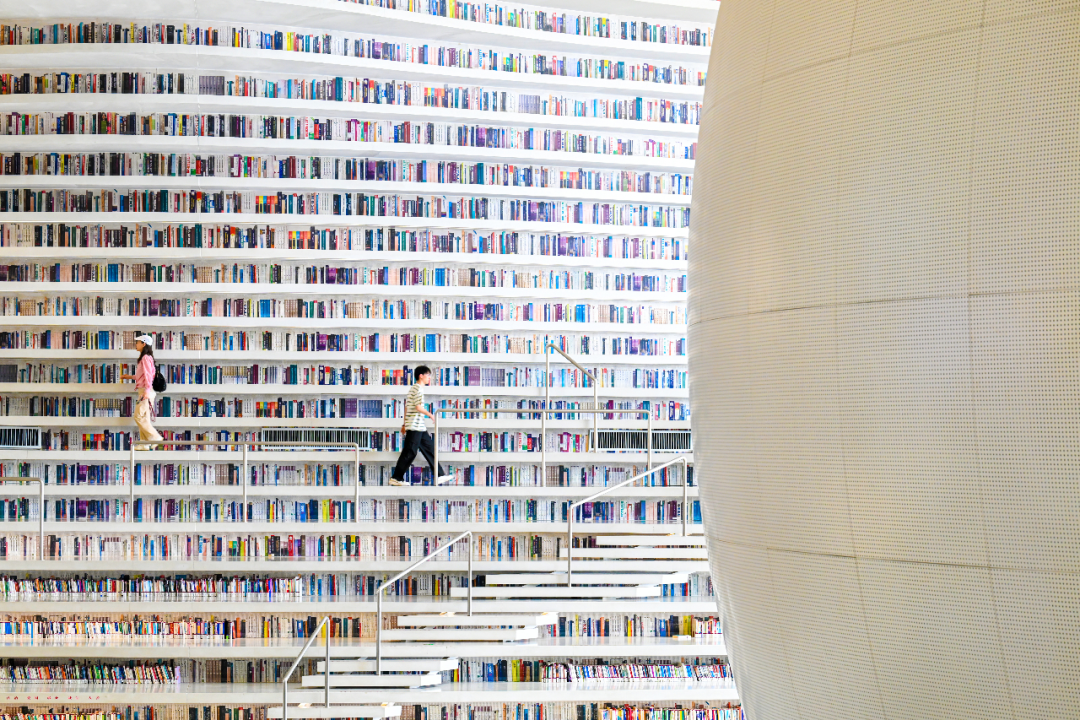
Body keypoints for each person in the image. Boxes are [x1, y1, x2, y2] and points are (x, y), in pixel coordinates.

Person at [390, 365, 453, 486]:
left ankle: (439, 475)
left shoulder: (413, 389)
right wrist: (430, 415)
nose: (429, 377)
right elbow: (418, 407)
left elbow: (407, 407)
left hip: (419, 426)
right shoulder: (418, 389)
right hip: (415, 426)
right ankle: (396, 477)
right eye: (428, 375)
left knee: (430, 449)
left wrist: (404, 424)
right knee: (410, 452)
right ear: (421, 376)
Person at [121, 334, 163, 451]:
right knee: (144, 418)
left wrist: (146, 391)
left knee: (138, 416)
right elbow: (142, 376)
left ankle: (155, 437)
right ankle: (145, 444)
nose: (136, 344)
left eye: (138, 342)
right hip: (145, 390)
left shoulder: (145, 358)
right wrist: (129, 377)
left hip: (146, 391)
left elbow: (149, 376)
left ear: (144, 344)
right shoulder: (146, 358)